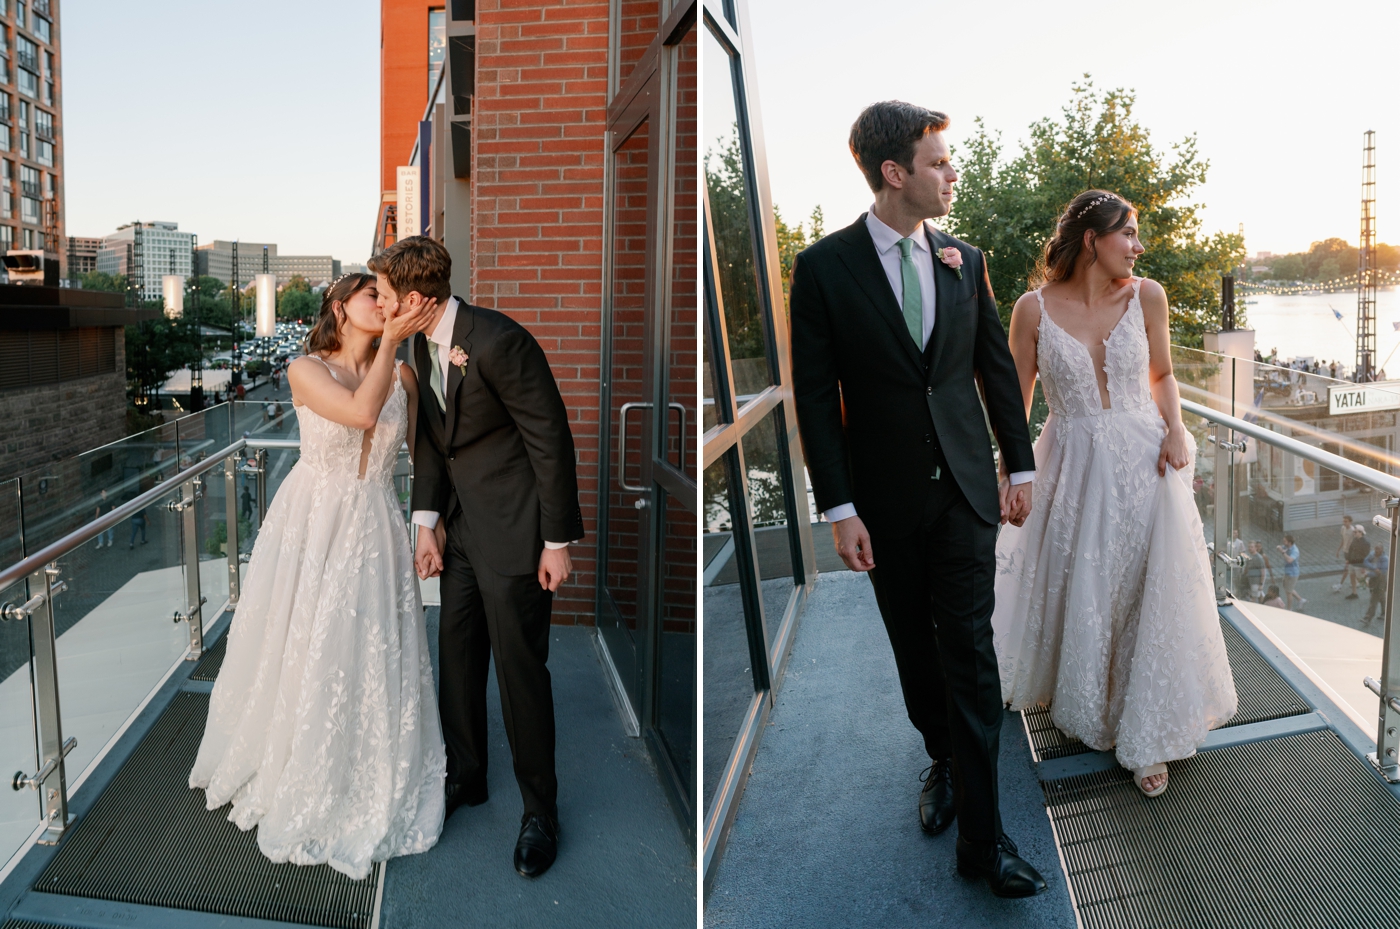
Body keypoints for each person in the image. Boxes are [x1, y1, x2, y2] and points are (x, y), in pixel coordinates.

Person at [788, 102, 1044, 897]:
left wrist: (1020, 466)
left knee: (970, 651)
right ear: (893, 172)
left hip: (968, 491)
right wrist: (838, 508)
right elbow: (815, 396)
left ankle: (984, 840)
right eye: (938, 162)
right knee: (913, 645)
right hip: (883, 503)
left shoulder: (966, 256)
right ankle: (941, 754)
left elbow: (995, 367)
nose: (951, 173)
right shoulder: (823, 268)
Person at [189, 273, 444, 880]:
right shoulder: (307, 369)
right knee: (304, 641)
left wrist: (427, 526)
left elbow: (427, 456)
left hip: (376, 521)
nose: (384, 306)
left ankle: (370, 763)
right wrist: (393, 343)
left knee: (369, 644)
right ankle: (295, 762)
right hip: (311, 522)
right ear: (339, 307)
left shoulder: (405, 377)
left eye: (388, 298)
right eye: (371, 297)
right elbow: (359, 414)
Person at [993, 188, 1237, 802]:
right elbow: (1015, 399)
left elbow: (1162, 373)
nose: (1137, 246)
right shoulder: (1033, 309)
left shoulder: (1147, 295)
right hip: (1072, 463)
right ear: (1090, 240)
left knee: (1150, 589)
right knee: (1092, 584)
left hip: (1147, 459)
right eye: (1127, 233)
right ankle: (1090, 701)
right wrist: (1012, 471)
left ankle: (1147, 733)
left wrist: (1177, 428)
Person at [397, 236, 584, 879]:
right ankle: (466, 777)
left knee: (520, 671)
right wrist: (426, 525)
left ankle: (541, 811)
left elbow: (550, 440)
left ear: (417, 300)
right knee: (457, 654)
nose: (386, 307)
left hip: (516, 533)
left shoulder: (501, 341)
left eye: (391, 298)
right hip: (460, 534)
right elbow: (432, 444)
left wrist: (556, 543)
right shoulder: (416, 347)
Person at [1363, 543, 1389, 625]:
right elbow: (1365, 561)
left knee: (1374, 599)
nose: (1376, 551)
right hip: (1373, 580)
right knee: (1382, 597)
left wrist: (1368, 574)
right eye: (1375, 549)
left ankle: (1368, 617)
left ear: (1382, 550)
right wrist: (1374, 568)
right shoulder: (1372, 554)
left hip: (1381, 581)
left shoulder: (1385, 559)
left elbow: (1381, 572)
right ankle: (1385, 613)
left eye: (1378, 549)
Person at [1277, 535, 1305, 610]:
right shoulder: (1286, 547)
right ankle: (1300, 600)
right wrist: (1279, 548)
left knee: (1288, 592)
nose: (1283, 542)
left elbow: (1289, 560)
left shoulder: (1295, 550)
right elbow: (1279, 547)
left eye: (1285, 541)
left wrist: (1283, 552)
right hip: (1287, 572)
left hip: (1293, 573)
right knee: (1288, 588)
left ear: (1290, 542)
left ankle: (1289, 609)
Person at [1345, 525, 1369, 600]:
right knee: (1352, 577)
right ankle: (1354, 593)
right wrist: (1348, 559)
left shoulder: (1365, 543)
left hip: (1359, 564)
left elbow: (1366, 555)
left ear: (1361, 532)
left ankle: (1373, 590)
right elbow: (1351, 550)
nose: (1354, 533)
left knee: (1361, 580)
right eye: (1354, 532)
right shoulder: (1355, 540)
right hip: (1352, 562)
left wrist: (1364, 567)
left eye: (1355, 532)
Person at [1335, 515, 1357, 595]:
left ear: (1350, 522)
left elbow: (1355, 542)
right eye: (1343, 521)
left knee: (1346, 569)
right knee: (1351, 569)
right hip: (1345, 552)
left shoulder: (1353, 530)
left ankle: (1340, 584)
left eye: (1346, 521)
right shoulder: (1343, 528)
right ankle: (1357, 583)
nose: (1344, 523)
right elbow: (1343, 539)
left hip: (1350, 553)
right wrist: (1338, 550)